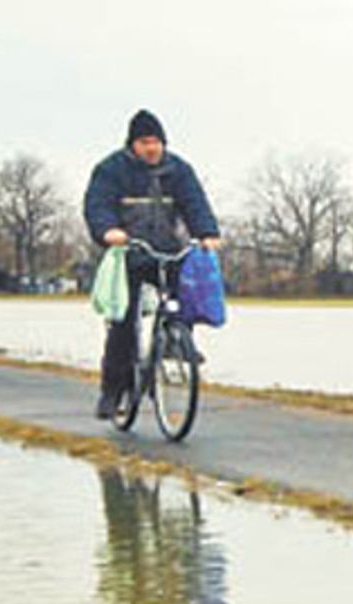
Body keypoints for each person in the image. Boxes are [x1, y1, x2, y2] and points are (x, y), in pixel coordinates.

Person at [83, 109, 221, 419]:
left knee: (186, 294)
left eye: (157, 142)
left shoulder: (179, 170)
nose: (152, 148)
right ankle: (112, 391)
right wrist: (108, 231)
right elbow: (97, 205)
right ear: (133, 144)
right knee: (123, 323)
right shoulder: (111, 170)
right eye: (145, 142)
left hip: (167, 250)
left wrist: (207, 233)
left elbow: (195, 203)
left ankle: (177, 339)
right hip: (129, 252)